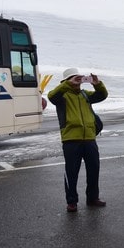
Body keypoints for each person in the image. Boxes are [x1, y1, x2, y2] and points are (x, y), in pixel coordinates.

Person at [48, 69, 108, 213]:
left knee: (94, 170)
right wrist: (68, 84)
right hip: (71, 139)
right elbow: (51, 96)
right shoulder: (62, 96)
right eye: (74, 79)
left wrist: (97, 84)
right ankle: (72, 201)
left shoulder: (84, 95)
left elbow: (102, 95)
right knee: (71, 172)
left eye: (79, 79)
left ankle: (93, 198)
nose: (77, 81)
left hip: (89, 138)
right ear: (66, 81)